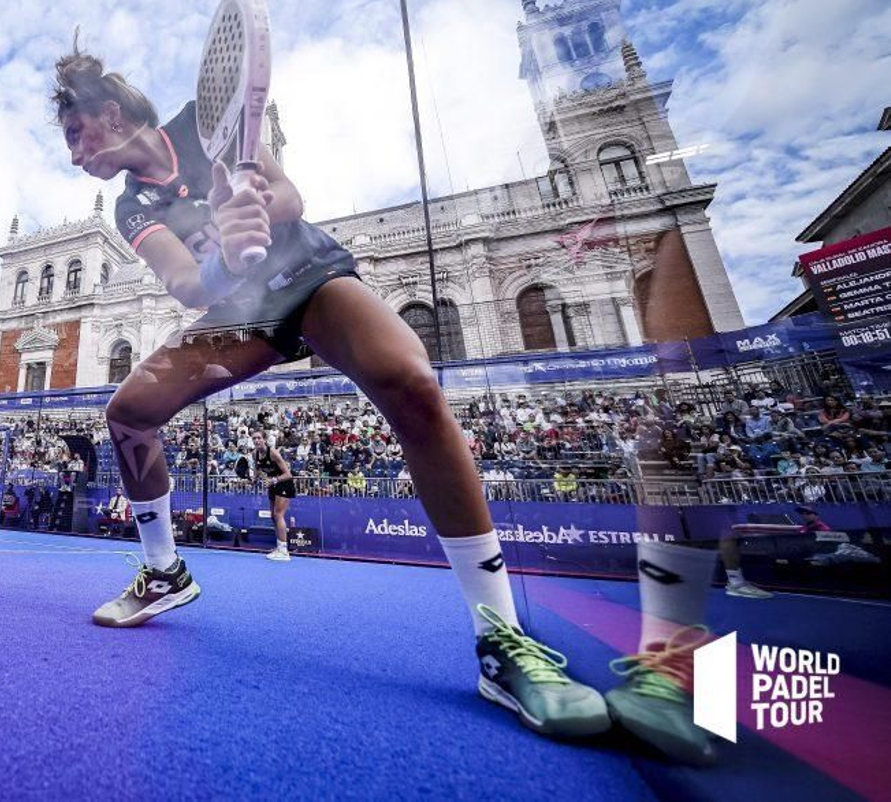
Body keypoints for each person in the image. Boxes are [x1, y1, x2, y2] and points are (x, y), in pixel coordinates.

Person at [51, 43, 609, 737]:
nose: (75, 155)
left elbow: (288, 196)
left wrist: (257, 208)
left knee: (410, 383)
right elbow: (187, 285)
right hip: (241, 313)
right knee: (129, 413)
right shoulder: (132, 204)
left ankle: (500, 639)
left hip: (309, 280)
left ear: (107, 115)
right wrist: (224, 253)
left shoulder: (203, 122)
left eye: (75, 135)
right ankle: (164, 573)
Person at [252, 431, 297, 561]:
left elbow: (288, 474)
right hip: (273, 485)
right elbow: (257, 468)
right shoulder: (255, 454)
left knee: (278, 515)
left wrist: (273, 480)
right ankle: (279, 546)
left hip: (284, 484)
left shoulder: (273, 453)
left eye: (259, 438)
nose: (256, 440)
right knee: (273, 516)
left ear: (264, 439)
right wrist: (252, 479)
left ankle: (284, 552)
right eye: (254, 438)